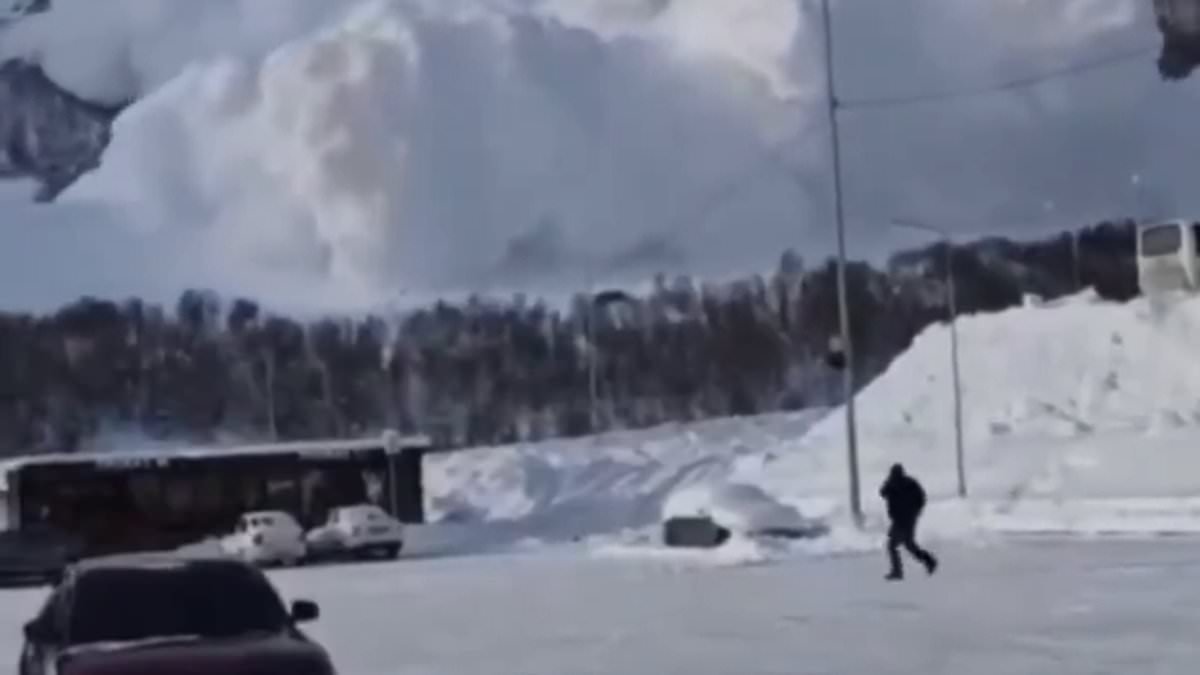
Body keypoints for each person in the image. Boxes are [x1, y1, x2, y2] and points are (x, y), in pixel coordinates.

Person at [879, 463, 938, 580]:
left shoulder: (895, 484)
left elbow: (882, 492)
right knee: (909, 545)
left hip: (902, 521)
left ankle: (897, 571)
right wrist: (916, 511)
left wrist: (915, 511)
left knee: (892, 545)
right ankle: (929, 561)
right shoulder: (910, 483)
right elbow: (921, 498)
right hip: (907, 519)